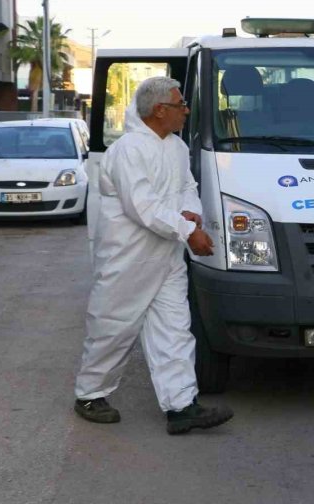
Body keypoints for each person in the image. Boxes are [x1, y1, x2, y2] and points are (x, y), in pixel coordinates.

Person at [73, 76, 234, 435]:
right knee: (113, 327)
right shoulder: (128, 149)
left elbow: (185, 187)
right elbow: (141, 206)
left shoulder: (175, 147)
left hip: (167, 256)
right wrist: (189, 231)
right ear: (160, 110)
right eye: (180, 105)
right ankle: (90, 394)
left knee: (175, 330)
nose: (186, 111)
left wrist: (191, 213)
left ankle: (181, 405)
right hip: (127, 258)